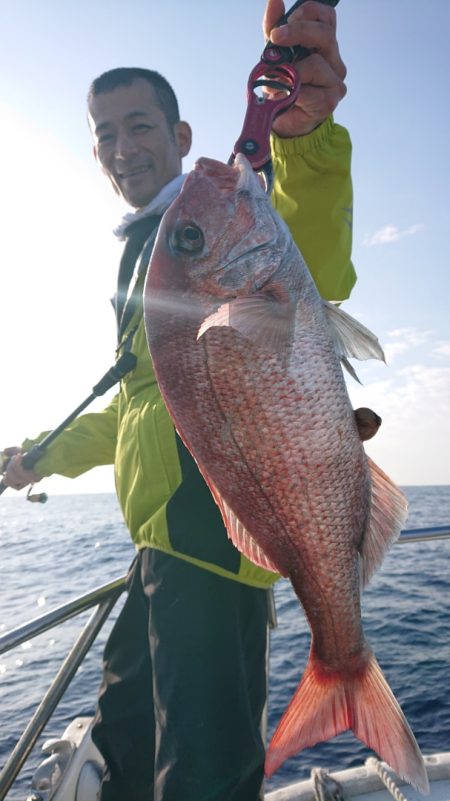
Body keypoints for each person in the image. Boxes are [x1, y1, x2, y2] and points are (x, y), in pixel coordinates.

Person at [3, 2, 355, 799]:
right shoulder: (144, 252)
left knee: (202, 776)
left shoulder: (227, 218)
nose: (122, 148)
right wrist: (34, 455)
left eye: (139, 126)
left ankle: (341, 665)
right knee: (125, 746)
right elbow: (130, 407)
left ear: (181, 134)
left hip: (217, 546)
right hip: (156, 546)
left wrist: (305, 138)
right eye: (105, 133)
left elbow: (314, 256)